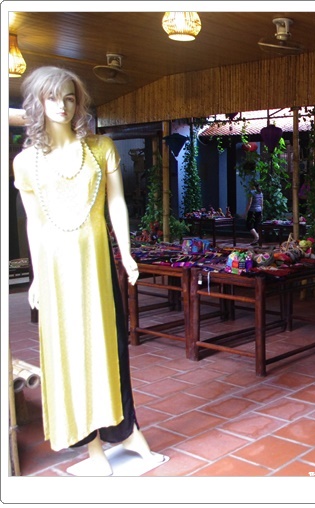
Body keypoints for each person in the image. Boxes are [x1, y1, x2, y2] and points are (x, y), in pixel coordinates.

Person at [13, 66, 161, 475]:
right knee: (69, 354)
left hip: (97, 266)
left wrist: (127, 254)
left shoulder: (100, 148)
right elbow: (34, 223)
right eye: (52, 98)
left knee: (109, 350)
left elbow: (116, 203)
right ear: (38, 103)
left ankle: (127, 432)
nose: (62, 106)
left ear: (78, 102)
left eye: (69, 97)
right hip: (56, 271)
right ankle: (92, 447)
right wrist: (37, 277)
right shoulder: (26, 163)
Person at [245, 181, 263, 245]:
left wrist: (246, 212)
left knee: (248, 224)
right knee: (256, 225)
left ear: (253, 186)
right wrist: (262, 212)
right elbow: (261, 203)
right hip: (259, 210)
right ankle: (256, 240)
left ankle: (256, 236)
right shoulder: (260, 193)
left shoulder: (252, 192)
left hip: (252, 210)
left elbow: (249, 203)